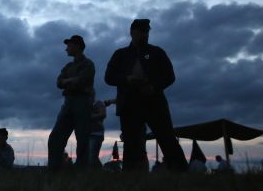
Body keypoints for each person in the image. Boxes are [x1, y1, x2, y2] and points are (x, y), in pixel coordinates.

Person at [105, 19, 188, 172]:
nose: (145, 34)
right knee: (131, 143)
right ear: (132, 32)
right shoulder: (120, 54)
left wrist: (153, 87)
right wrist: (127, 79)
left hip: (154, 101)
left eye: (147, 31)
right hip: (129, 104)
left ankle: (181, 173)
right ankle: (131, 177)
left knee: (167, 138)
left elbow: (169, 76)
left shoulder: (157, 52)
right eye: (142, 31)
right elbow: (108, 77)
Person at [48, 35, 96, 170]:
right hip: (68, 103)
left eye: (69, 45)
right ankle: (54, 170)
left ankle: (81, 172)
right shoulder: (68, 66)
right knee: (55, 138)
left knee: (82, 141)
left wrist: (68, 81)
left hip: (82, 103)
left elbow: (81, 80)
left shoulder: (88, 64)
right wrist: (69, 81)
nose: (66, 49)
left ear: (77, 46)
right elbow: (59, 82)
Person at [89, 98, 115, 167]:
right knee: (91, 156)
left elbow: (103, 114)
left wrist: (89, 117)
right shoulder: (83, 105)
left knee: (92, 156)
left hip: (96, 134)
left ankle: (100, 172)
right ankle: (100, 173)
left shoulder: (98, 103)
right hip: (87, 134)